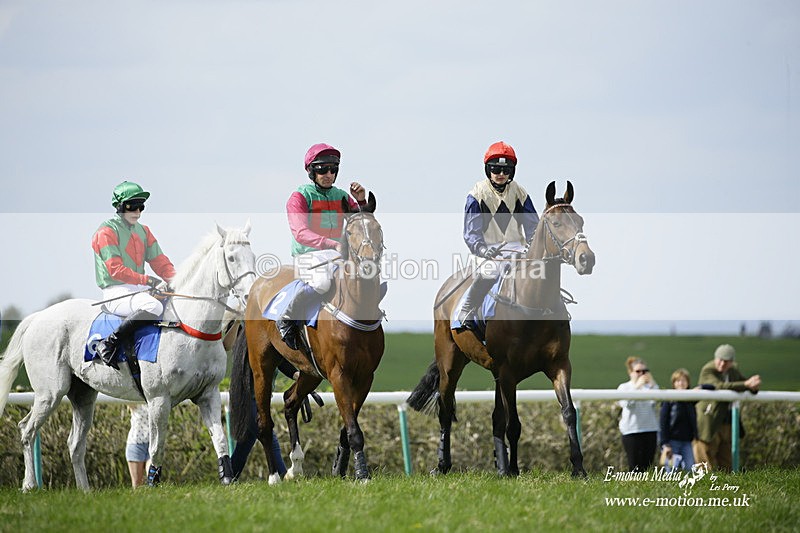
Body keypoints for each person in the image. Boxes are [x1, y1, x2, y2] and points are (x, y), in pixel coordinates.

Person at [279, 143, 368, 351]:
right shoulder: (300, 197)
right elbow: (300, 232)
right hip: (308, 256)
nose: (328, 174)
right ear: (311, 171)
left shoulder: (342, 196)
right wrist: (332, 244)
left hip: (336, 255)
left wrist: (361, 201)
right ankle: (287, 318)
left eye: (333, 169)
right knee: (322, 283)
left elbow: (361, 224)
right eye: (322, 169)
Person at [91, 180, 176, 368]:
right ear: (120, 206)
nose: (137, 212)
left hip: (139, 290)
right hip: (115, 291)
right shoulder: (106, 232)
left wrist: (178, 281)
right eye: (132, 206)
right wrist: (148, 280)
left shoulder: (144, 231)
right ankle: (109, 343)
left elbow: (160, 262)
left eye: (141, 207)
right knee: (153, 306)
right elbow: (115, 269)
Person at [458, 141, 539, 323]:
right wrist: (482, 249)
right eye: (496, 169)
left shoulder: (519, 192)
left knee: (540, 271)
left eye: (506, 170)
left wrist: (532, 247)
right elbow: (471, 232)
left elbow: (533, 226)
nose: (501, 174)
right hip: (487, 250)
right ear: (488, 170)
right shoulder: (477, 194)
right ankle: (467, 308)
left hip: (517, 248)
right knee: (490, 271)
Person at [694, 344, 761, 471]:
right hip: (709, 421)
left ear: (732, 362)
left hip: (727, 421)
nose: (722, 364)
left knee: (727, 460)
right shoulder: (707, 370)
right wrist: (746, 384)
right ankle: (705, 481)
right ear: (715, 358)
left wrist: (754, 386)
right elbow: (719, 386)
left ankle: (726, 482)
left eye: (726, 361)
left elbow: (743, 384)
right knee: (705, 456)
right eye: (720, 360)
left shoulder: (733, 370)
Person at [617, 356, 659, 472]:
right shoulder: (624, 387)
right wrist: (637, 386)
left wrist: (652, 383)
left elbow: (656, 401)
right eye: (638, 371)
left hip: (650, 429)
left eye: (644, 371)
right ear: (630, 372)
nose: (641, 374)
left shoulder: (651, 387)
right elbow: (625, 403)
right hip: (631, 431)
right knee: (634, 467)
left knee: (648, 467)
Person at [659, 368, 698, 472]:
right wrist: (665, 443)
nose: (681, 383)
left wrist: (700, 388)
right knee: (671, 471)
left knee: (690, 469)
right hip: (672, 441)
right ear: (674, 383)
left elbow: (711, 387)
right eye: (678, 381)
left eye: (684, 380)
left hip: (687, 442)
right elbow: (663, 422)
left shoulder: (691, 400)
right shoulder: (669, 399)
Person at [126, 404, 150, 488]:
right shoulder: (135, 403)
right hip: (135, 444)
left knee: (153, 479)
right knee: (137, 484)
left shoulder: (157, 402)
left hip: (153, 445)